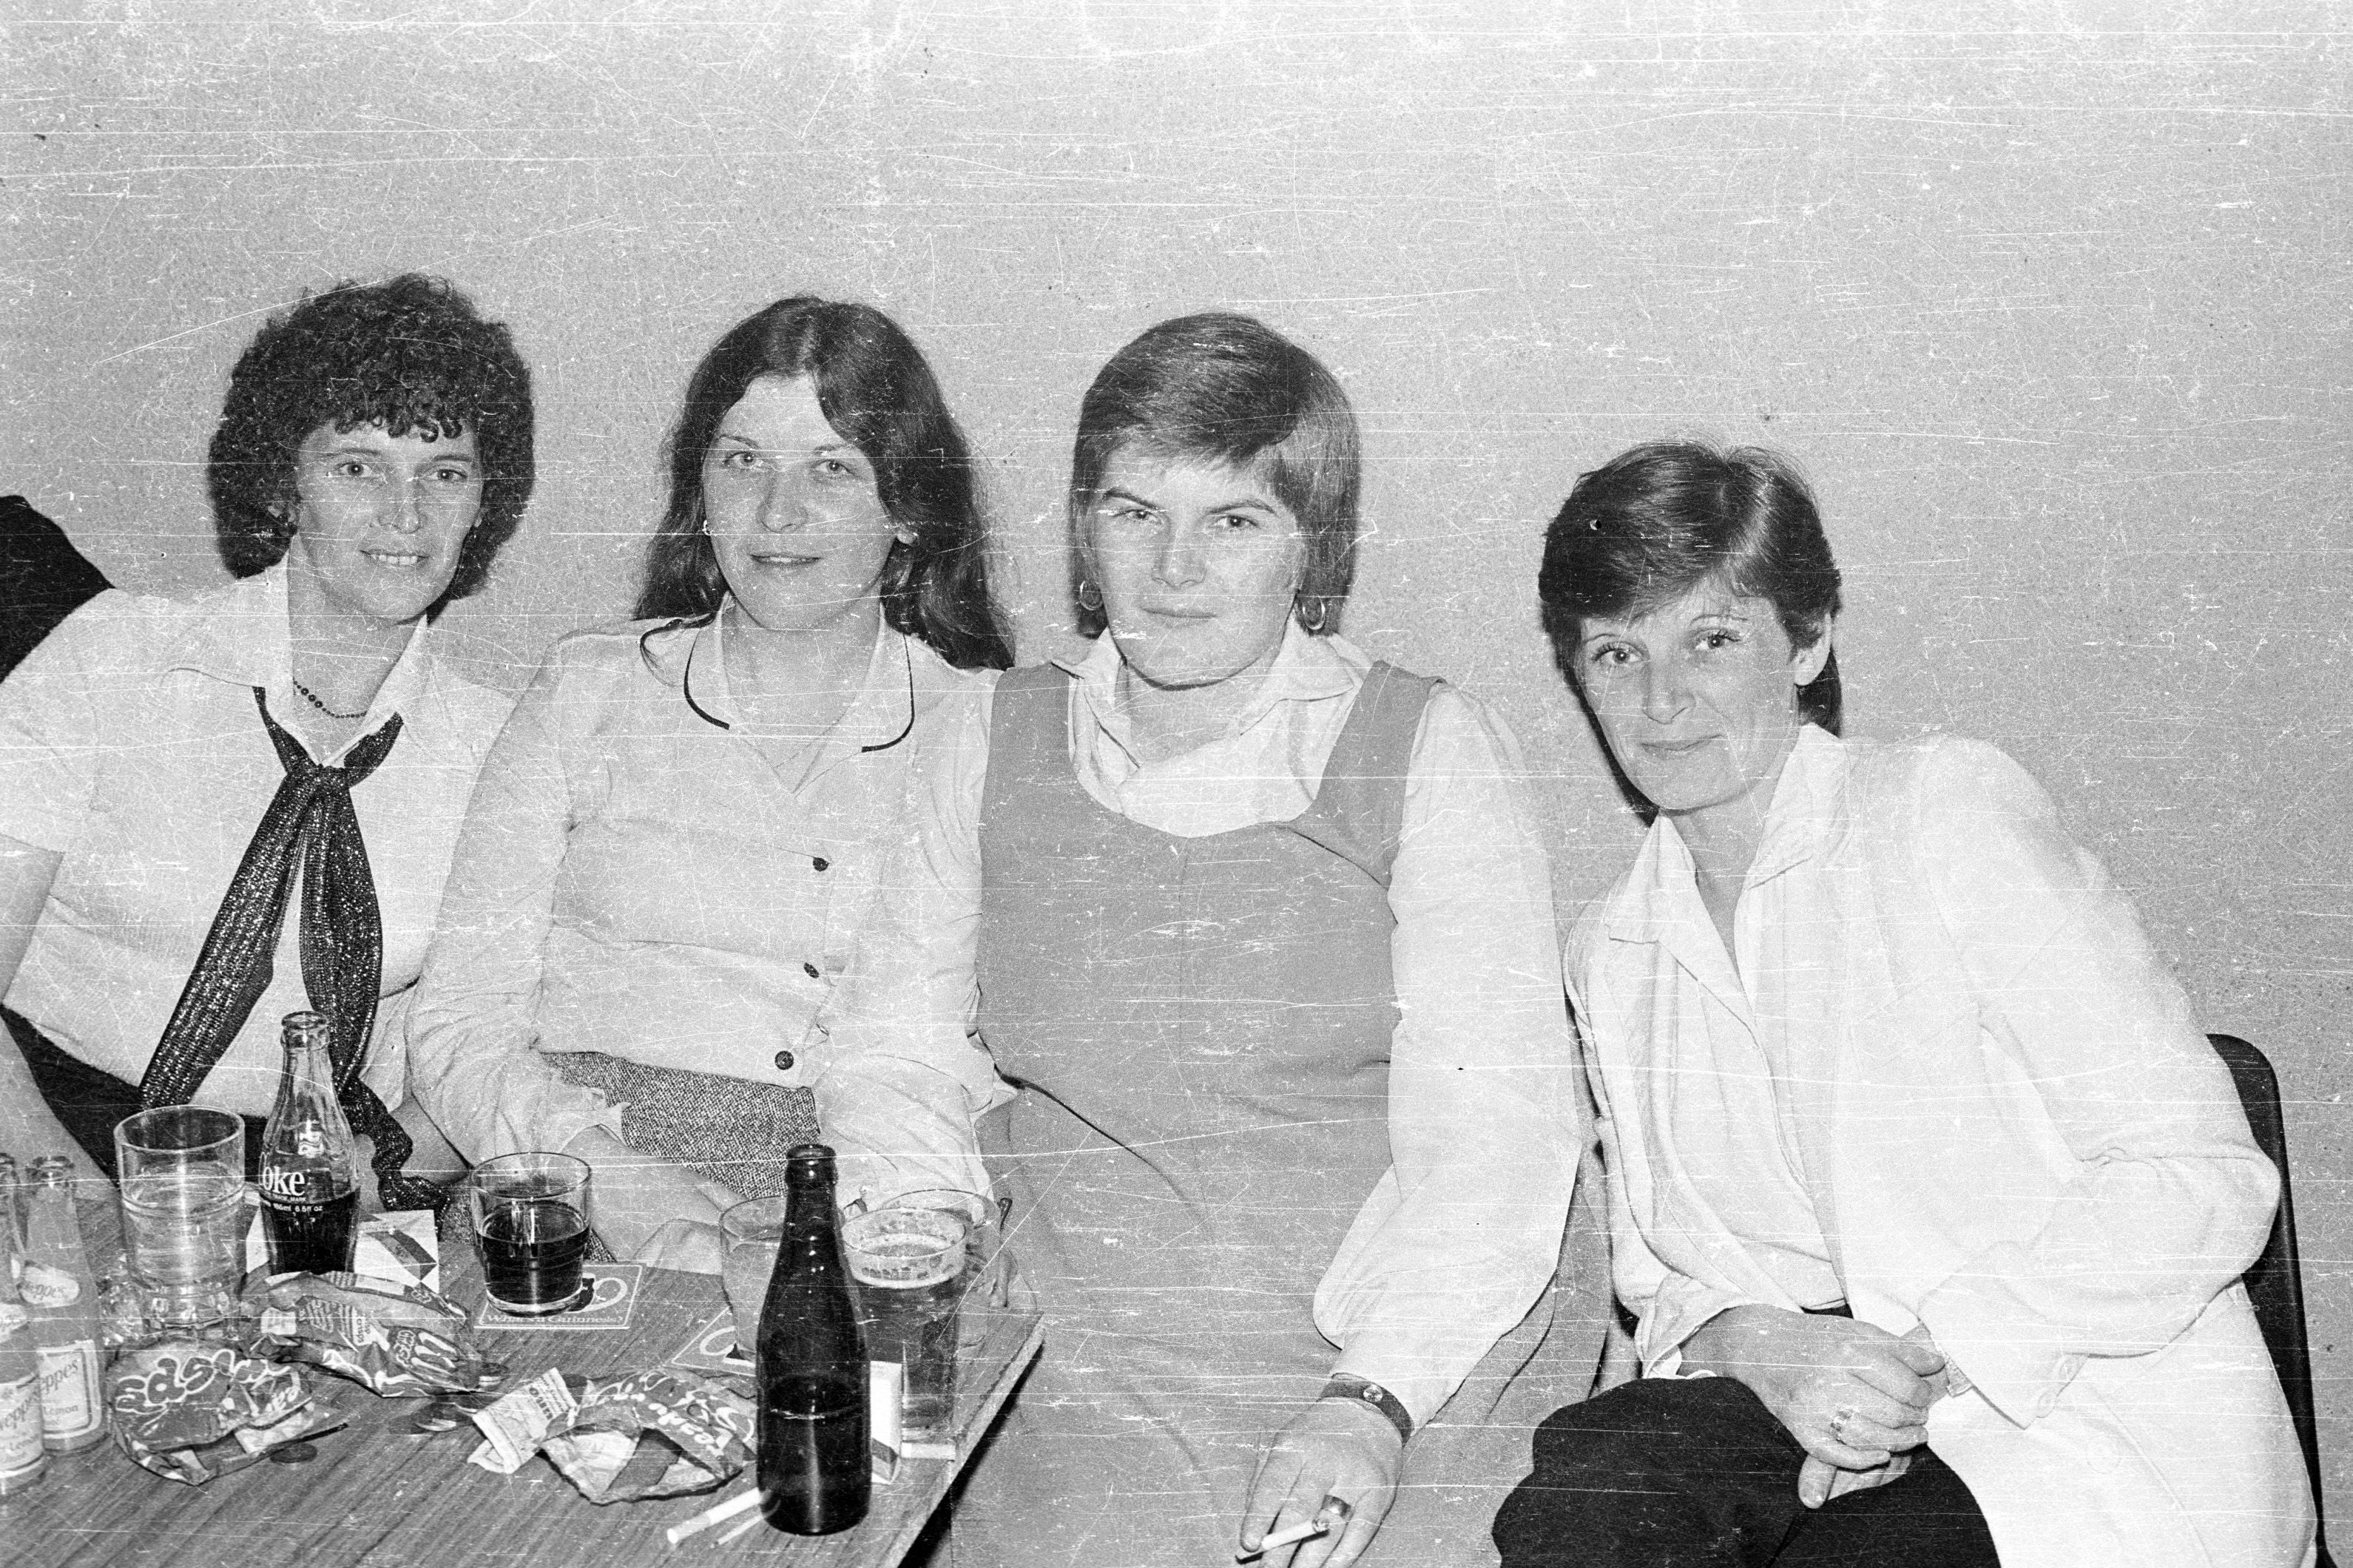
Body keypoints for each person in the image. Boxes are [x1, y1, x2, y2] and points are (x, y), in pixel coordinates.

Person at [828, 313, 1580, 1567]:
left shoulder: (1426, 748)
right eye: (1133, 513)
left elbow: (1495, 1150)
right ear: (1085, 531)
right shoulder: (992, 736)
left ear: (1312, 546)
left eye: (1235, 521)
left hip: (1382, 1335)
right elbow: (895, 1047)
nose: (1173, 569)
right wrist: (925, 1248)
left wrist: (1371, 1404)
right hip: (1079, 1344)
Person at [1493, 441, 2315, 1568]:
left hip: (2068, 1418)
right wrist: (1766, 1349)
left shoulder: (1941, 813)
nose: (1661, 699)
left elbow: (2202, 1180)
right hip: (1801, 1409)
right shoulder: (1612, 946)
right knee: (1585, 1495)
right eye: (1616, 653)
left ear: (1808, 639)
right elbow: (1665, 1283)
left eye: (1712, 639)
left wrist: (1932, 1360)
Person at [402, 296, 1013, 1268]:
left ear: (907, 507)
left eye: (831, 468)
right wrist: (605, 1177)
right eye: (742, 461)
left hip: (862, 1176)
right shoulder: (589, 685)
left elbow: (931, 1056)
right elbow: (459, 1026)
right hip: (570, 1171)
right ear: (700, 489)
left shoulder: (980, 726)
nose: (779, 513)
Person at [0, 274, 533, 1209]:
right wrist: (66, 1194)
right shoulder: (110, 654)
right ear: (285, 483)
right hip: (41, 1134)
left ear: (485, 500)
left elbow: (473, 1052)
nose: (405, 516)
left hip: (314, 1179)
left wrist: (359, 1192)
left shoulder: (499, 748)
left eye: (445, 472)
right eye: (357, 466)